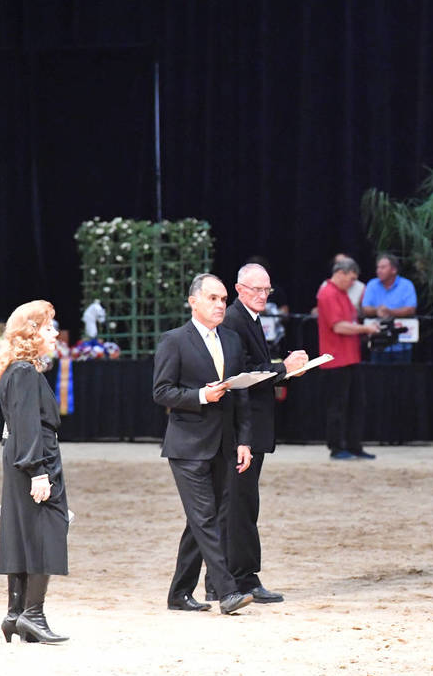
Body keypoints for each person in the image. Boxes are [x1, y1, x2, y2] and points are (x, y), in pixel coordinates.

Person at [153, 273, 255, 616]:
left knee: (201, 520)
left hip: (224, 444)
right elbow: (161, 391)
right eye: (213, 298)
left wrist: (244, 440)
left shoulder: (232, 340)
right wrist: (201, 396)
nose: (220, 305)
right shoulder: (174, 340)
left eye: (223, 299)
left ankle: (179, 594)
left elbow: (241, 395)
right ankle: (227, 591)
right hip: (187, 446)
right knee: (206, 518)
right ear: (193, 301)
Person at [209, 262, 309, 604]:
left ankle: (224, 579)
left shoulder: (248, 319)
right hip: (243, 428)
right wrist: (283, 369)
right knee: (240, 504)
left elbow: (252, 367)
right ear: (239, 290)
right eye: (256, 289)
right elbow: (241, 375)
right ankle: (240, 578)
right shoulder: (235, 320)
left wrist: (285, 369)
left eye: (267, 290)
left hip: (250, 425)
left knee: (239, 503)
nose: (263, 295)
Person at [0, 300, 70, 644]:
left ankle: (16, 613)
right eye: (49, 328)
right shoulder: (23, 372)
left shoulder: (18, 369)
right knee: (46, 529)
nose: (55, 334)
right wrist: (38, 471)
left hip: (22, 455)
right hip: (35, 457)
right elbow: (26, 424)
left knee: (22, 531)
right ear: (31, 332)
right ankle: (33, 614)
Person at [316, 256, 379, 460]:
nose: (353, 283)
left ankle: (354, 445)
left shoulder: (342, 293)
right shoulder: (328, 293)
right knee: (338, 406)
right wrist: (365, 329)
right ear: (340, 273)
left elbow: (349, 321)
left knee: (356, 404)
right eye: (351, 278)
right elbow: (339, 326)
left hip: (351, 357)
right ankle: (336, 447)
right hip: (335, 359)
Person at [361, 253, 417, 363]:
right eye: (378, 267)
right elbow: (365, 308)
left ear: (393, 270)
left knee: (401, 373)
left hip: (401, 344)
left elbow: (411, 309)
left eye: (383, 267)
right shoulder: (372, 284)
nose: (379, 271)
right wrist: (377, 310)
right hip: (377, 343)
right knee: (377, 373)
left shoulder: (406, 285)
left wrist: (389, 311)